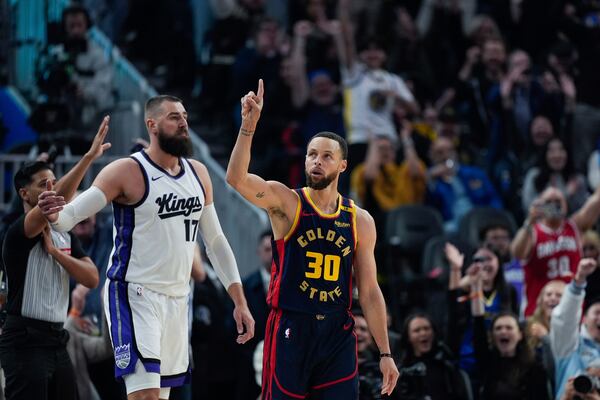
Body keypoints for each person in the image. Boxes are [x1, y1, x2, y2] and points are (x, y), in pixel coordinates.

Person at [38, 96, 255, 400]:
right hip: (134, 294)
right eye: (173, 118)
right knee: (145, 396)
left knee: (160, 397)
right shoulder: (126, 171)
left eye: (184, 116)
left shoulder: (199, 174)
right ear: (151, 125)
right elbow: (69, 217)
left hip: (178, 300)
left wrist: (239, 301)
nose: (183, 123)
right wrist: (52, 213)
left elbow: (216, 241)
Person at [226, 79, 399, 398]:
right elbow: (236, 179)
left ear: (343, 165)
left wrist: (385, 353)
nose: (317, 161)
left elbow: (370, 291)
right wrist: (248, 126)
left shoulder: (360, 219)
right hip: (292, 325)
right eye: (311, 155)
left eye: (326, 156)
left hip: (337, 331)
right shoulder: (286, 201)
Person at [0, 119, 110, 400]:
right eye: (43, 184)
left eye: (53, 180)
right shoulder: (18, 230)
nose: (50, 187)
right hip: (24, 339)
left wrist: (57, 256)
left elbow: (92, 277)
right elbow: (53, 200)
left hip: (57, 339)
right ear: (24, 193)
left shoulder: (63, 234)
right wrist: (88, 158)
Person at [511, 186, 600, 316]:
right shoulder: (532, 232)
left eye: (558, 201)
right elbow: (516, 253)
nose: (554, 205)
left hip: (571, 309)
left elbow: (597, 200)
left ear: (565, 204)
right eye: (549, 202)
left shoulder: (575, 226)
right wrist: (529, 221)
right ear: (540, 206)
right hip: (538, 311)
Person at [470, 266, 553, 400]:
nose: (503, 331)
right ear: (492, 336)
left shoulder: (533, 366)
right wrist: (475, 287)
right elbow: (478, 323)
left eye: (509, 328)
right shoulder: (488, 361)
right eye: (498, 328)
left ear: (520, 334)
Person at [550, 258, 600, 399]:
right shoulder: (571, 347)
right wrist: (578, 281)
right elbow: (565, 321)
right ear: (583, 318)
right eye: (597, 313)